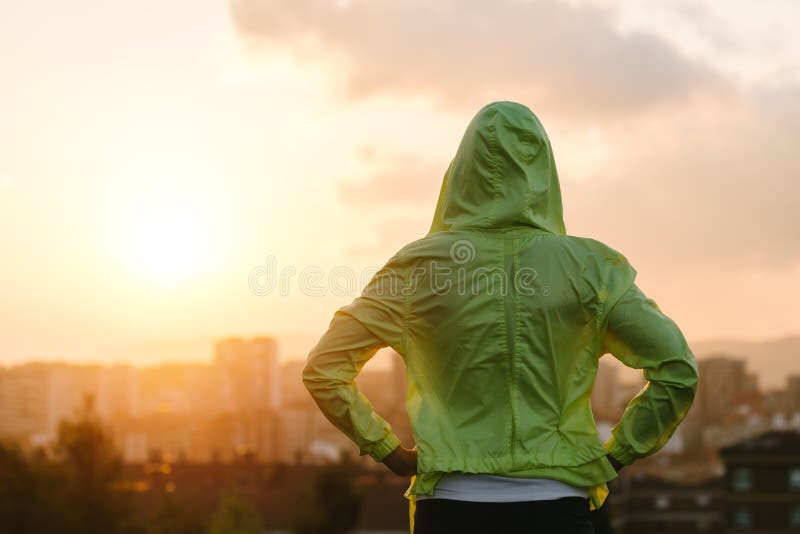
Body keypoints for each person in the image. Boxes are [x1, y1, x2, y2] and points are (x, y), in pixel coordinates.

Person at [303, 101, 699, 533]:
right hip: (558, 508)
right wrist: (617, 454)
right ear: (544, 172)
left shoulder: (419, 267)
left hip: (452, 508)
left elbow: (325, 369)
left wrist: (386, 449)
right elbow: (677, 370)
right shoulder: (589, 268)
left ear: (460, 173)